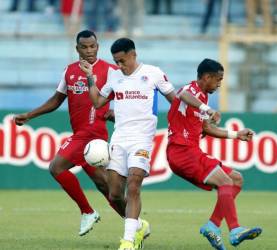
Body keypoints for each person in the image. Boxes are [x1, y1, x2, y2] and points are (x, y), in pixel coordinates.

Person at [79, 38, 219, 250]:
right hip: (119, 138)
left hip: (142, 138)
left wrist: (199, 120)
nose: (119, 65)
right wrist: (90, 77)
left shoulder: (153, 73)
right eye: (116, 61)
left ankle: (128, 241)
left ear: (133, 54)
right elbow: (98, 101)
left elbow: (176, 100)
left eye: (122, 60)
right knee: (115, 193)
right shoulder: (114, 76)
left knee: (134, 185)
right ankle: (139, 226)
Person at [14, 30, 125, 237]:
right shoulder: (70, 71)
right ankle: (134, 224)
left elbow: (126, 98)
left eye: (92, 46)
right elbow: (56, 100)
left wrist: (114, 113)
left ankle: (87, 212)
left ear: (98, 47)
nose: (89, 50)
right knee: (106, 187)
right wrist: (30, 115)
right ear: (77, 49)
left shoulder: (111, 71)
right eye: (84, 47)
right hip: (82, 135)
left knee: (56, 167)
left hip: (92, 134)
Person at [166, 58, 262, 250]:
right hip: (181, 151)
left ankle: (212, 225)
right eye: (218, 80)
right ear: (207, 77)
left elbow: (206, 128)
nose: (219, 84)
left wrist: (236, 135)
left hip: (191, 151)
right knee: (225, 181)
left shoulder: (202, 97)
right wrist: (207, 109)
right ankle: (235, 230)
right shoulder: (191, 90)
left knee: (236, 179)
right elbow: (182, 94)